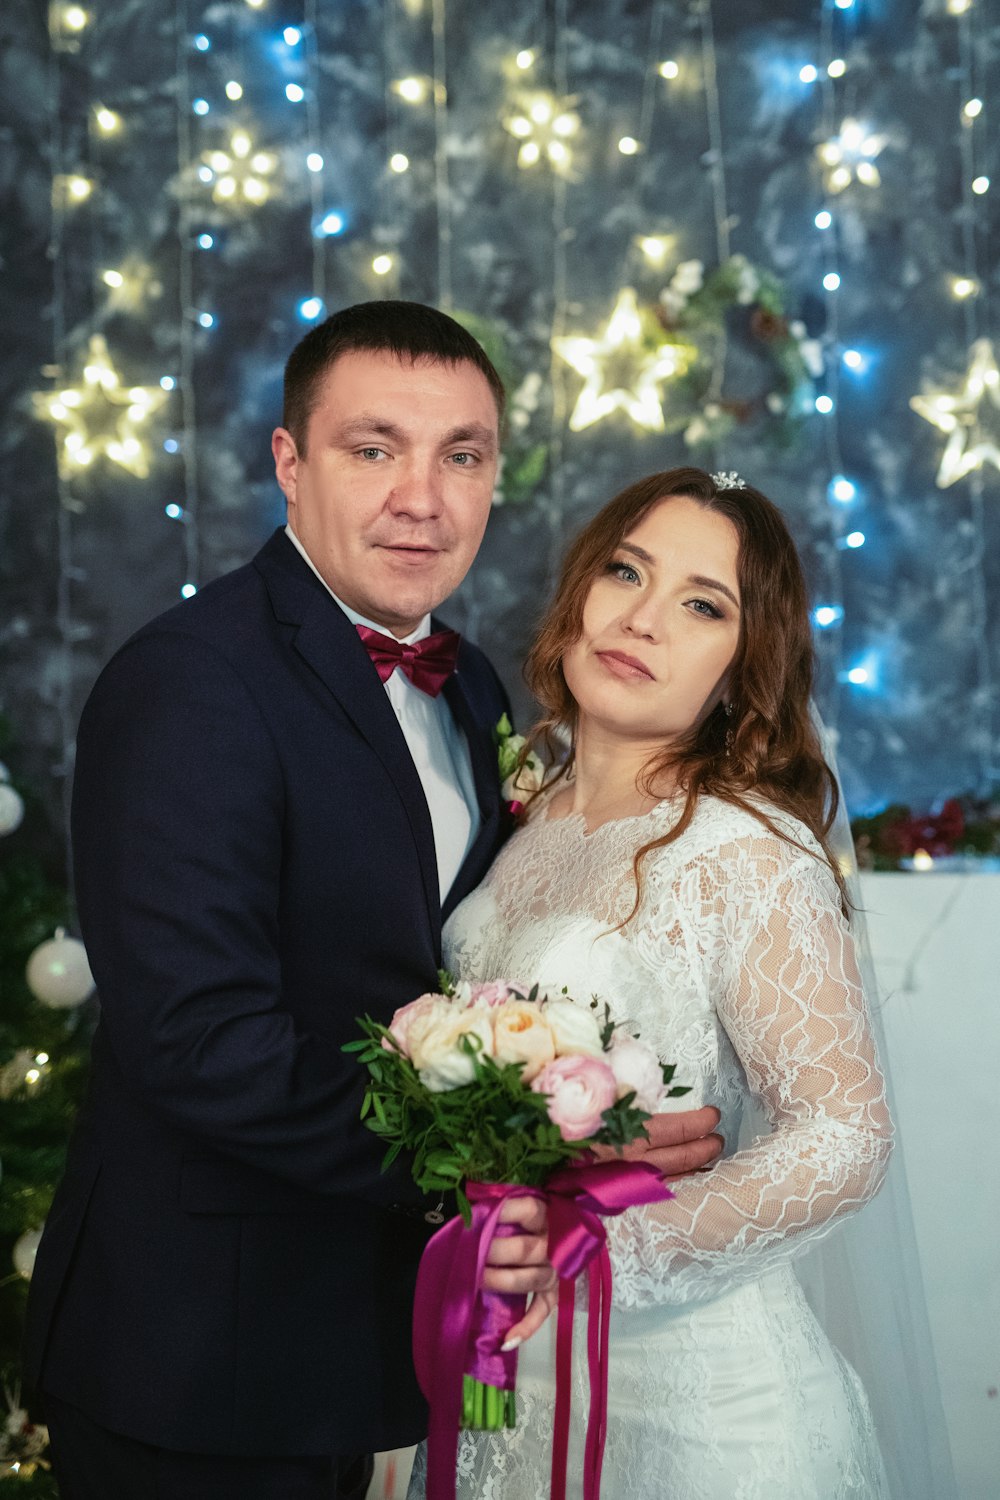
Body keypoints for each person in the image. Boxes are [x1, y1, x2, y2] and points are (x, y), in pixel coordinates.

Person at [23, 305, 721, 1500]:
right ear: (289, 463)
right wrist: (512, 1162)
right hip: (198, 1357)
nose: (423, 497)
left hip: (359, 1340)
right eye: (373, 448)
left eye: (462, 455)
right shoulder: (191, 683)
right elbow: (202, 1042)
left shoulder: (473, 687)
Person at [409, 467, 895, 1499]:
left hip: (702, 1413)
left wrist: (597, 1247)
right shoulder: (524, 823)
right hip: (513, 1375)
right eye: (625, 571)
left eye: (701, 604)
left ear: (741, 667)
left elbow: (843, 1139)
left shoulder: (743, 850)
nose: (640, 618)